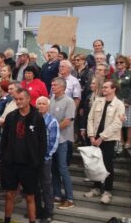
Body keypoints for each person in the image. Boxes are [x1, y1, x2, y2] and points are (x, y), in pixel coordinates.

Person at [0, 88, 46, 223]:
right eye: (17, 99)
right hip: (11, 163)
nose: (19, 101)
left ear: (28, 99)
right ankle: (6, 220)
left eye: (21, 99)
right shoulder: (11, 116)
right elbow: (5, 139)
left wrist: (38, 162)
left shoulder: (37, 117)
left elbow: (43, 143)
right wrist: (4, 158)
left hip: (29, 165)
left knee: (30, 196)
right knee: (9, 194)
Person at [84, 81, 125, 204]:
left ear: (114, 89)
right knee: (95, 163)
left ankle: (107, 191)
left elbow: (117, 123)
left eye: (106, 87)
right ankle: (96, 188)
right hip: (95, 137)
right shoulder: (98, 100)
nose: (103, 89)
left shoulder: (119, 104)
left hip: (108, 139)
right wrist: (91, 135)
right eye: (103, 87)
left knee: (107, 164)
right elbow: (90, 118)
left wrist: (101, 137)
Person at [49, 77, 76, 209]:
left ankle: (70, 198)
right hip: (52, 140)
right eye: (52, 85)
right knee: (53, 169)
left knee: (62, 168)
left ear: (62, 87)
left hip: (62, 140)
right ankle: (57, 195)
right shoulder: (51, 100)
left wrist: (52, 128)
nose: (52, 87)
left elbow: (67, 121)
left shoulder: (69, 101)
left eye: (55, 85)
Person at [35, 96, 60, 222]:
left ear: (48, 106)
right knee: (35, 186)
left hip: (45, 159)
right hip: (33, 159)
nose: (41, 106)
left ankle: (48, 212)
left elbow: (54, 142)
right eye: (39, 103)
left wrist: (46, 156)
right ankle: (37, 211)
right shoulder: (32, 119)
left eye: (43, 104)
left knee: (46, 186)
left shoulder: (52, 121)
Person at [112, 55, 131, 149]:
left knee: (130, 123)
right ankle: (121, 141)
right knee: (118, 121)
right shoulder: (114, 74)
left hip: (128, 100)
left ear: (126, 64)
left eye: (121, 62)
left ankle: (128, 142)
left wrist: (128, 102)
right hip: (117, 100)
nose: (119, 64)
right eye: (117, 62)